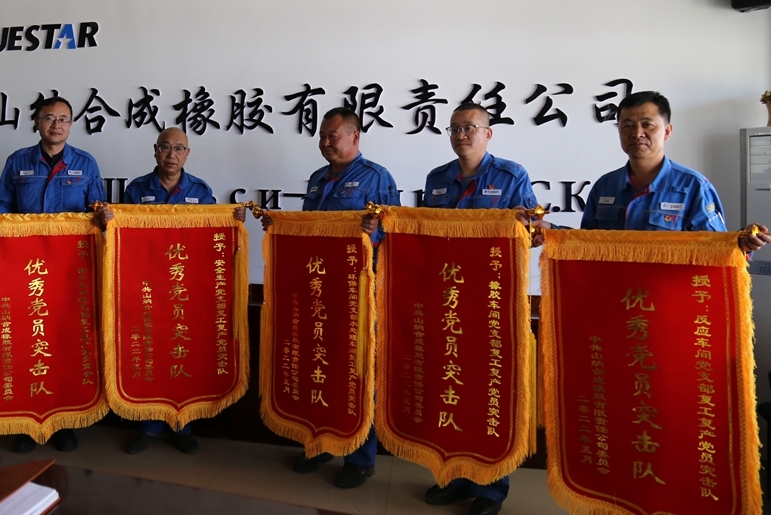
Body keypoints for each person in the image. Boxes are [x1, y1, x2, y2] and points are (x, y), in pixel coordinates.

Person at [262, 107, 400, 489]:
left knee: (357, 370)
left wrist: (374, 230)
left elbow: (393, 232)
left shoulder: (376, 177)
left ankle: (359, 457)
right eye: (322, 136)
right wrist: (280, 226)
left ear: (355, 136)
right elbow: (311, 230)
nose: (325, 142)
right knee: (318, 363)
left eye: (332, 136)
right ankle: (320, 442)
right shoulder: (317, 179)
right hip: (319, 289)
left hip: (358, 293)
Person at [0, 95, 108, 454]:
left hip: (69, 272)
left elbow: (97, 209)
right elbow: (4, 205)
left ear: (71, 125)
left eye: (63, 119)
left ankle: (62, 421)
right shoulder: (17, 161)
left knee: (64, 340)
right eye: (49, 118)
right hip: (24, 269)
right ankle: (26, 422)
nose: (56, 125)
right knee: (24, 339)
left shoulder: (85, 163)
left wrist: (104, 217)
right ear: (37, 122)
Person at [422, 102, 537, 515]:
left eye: (469, 127)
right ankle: (454, 476)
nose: (461, 135)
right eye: (454, 129)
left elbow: (529, 231)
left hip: (492, 302)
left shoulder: (511, 176)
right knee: (450, 385)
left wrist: (529, 226)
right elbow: (424, 233)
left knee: (491, 390)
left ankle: (490, 488)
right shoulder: (437, 179)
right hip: (448, 299)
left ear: (488, 133)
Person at [120, 127, 246, 455]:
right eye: (165, 147)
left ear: (187, 154)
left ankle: (181, 425)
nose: (171, 154)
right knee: (150, 352)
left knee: (180, 351)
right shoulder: (136, 189)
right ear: (155, 150)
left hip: (183, 288)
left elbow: (212, 233)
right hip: (147, 286)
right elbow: (124, 238)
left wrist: (233, 220)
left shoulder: (200, 191)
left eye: (179, 148)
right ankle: (149, 426)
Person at [529, 91, 770, 252]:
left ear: (667, 131)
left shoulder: (694, 186)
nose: (637, 133)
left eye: (647, 125)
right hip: (614, 295)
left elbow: (715, 248)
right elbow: (588, 243)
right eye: (628, 125)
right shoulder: (605, 186)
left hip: (668, 299)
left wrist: (742, 241)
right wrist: (552, 232)